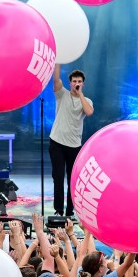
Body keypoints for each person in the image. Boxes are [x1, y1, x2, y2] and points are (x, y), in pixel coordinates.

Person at [48, 64, 94, 217]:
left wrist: (80, 94)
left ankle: (70, 211)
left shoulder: (86, 100)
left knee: (72, 180)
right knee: (58, 178)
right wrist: (58, 61)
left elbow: (89, 112)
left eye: (79, 81)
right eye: (74, 81)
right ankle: (59, 210)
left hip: (74, 146)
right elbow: (55, 80)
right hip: (57, 143)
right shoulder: (62, 94)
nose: (76, 83)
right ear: (70, 83)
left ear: (83, 83)